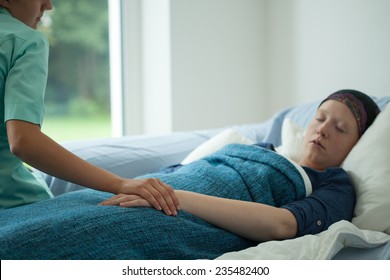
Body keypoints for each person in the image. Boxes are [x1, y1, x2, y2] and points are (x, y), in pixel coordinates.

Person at [101, 89, 381, 242]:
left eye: (340, 128)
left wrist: (175, 197)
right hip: (151, 188)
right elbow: (183, 171)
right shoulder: (262, 150)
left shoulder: (335, 184)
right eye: (320, 118)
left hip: (171, 207)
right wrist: (145, 185)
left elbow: (284, 225)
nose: (323, 131)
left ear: (357, 145)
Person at [0, 0, 179, 215]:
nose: (48, 6)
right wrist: (121, 184)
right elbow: (23, 141)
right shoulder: (25, 41)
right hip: (17, 205)